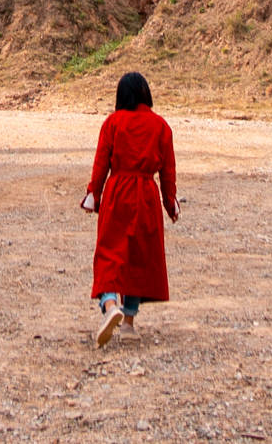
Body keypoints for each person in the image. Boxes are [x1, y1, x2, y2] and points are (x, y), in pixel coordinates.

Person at [84, 71, 177, 347]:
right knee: (137, 256)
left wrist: (93, 193)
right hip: (146, 194)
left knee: (110, 251)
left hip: (117, 192)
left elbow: (102, 162)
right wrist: (169, 203)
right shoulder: (161, 126)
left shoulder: (113, 123)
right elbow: (168, 170)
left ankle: (110, 304)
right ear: (146, 93)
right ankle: (128, 324)